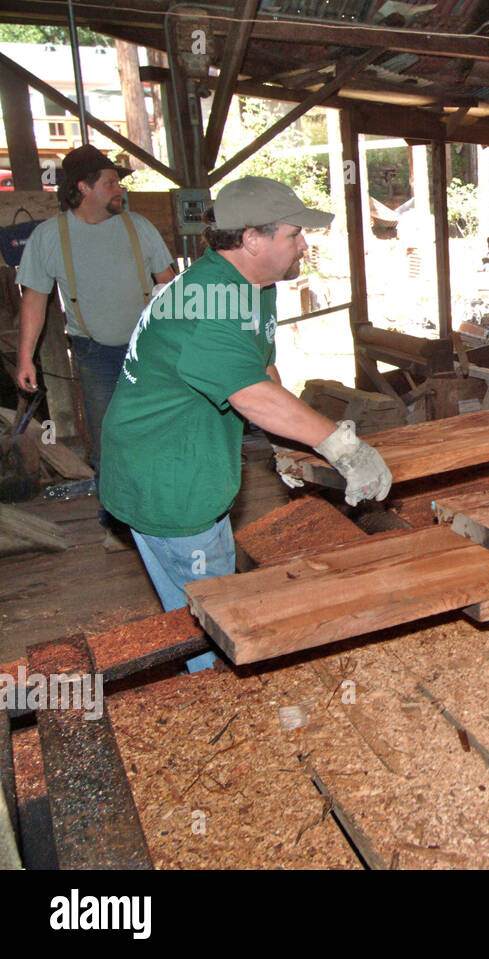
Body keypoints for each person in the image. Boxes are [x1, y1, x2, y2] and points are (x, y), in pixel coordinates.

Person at [99, 177, 393, 669]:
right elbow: (255, 397)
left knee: (207, 596)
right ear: (253, 239)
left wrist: (288, 445)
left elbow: (264, 373)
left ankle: (212, 678)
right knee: (213, 612)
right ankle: (216, 696)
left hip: (188, 460)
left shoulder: (251, 287)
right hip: (167, 478)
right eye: (294, 234)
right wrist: (347, 451)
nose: (304, 244)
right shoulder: (207, 306)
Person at [14, 145, 176, 549]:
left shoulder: (138, 226)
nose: (118, 189)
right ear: (84, 187)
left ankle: (168, 512)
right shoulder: (50, 236)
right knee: (108, 439)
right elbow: (34, 299)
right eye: (110, 182)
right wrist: (24, 358)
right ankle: (117, 526)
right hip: (94, 352)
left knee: (160, 430)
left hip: (151, 347)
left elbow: (170, 285)